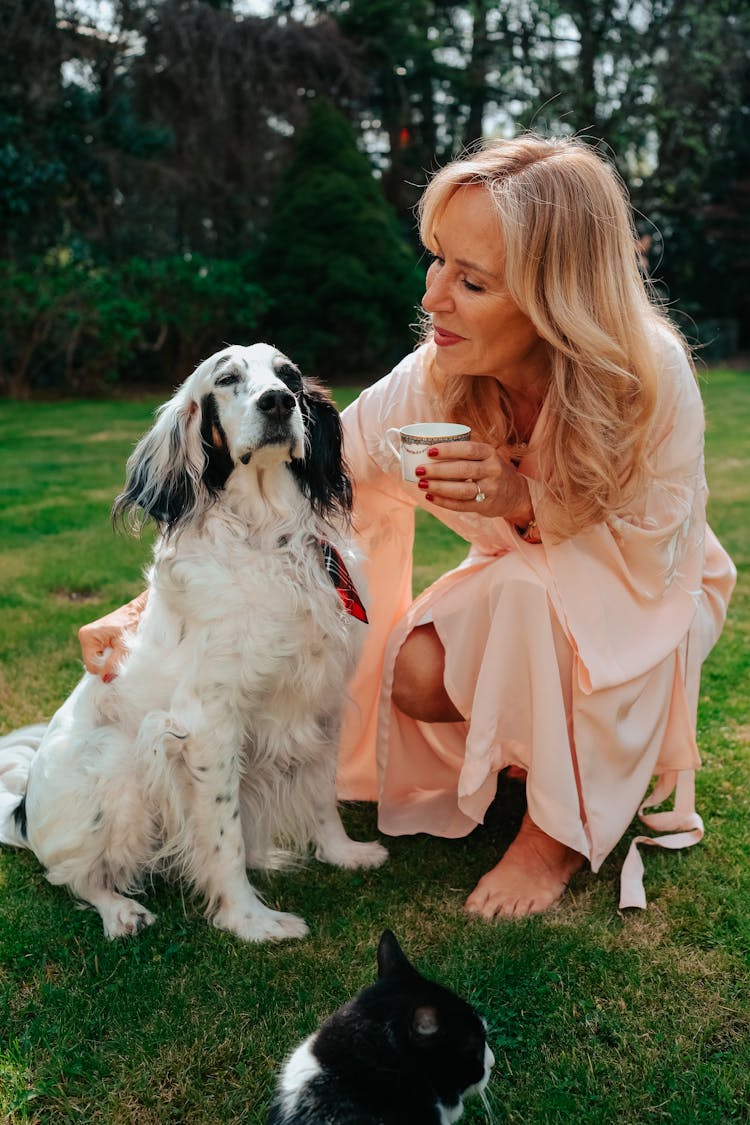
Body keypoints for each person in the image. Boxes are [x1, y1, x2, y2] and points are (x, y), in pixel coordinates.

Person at [80, 134, 735, 919]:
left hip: (651, 599)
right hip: (527, 593)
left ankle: (551, 837)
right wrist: (145, 613)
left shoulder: (649, 376)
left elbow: (658, 552)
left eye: (472, 280)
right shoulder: (439, 375)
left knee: (526, 591)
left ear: (554, 293)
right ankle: (535, 748)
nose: (433, 298)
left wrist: (522, 500)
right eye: (436, 261)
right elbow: (327, 472)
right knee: (415, 669)